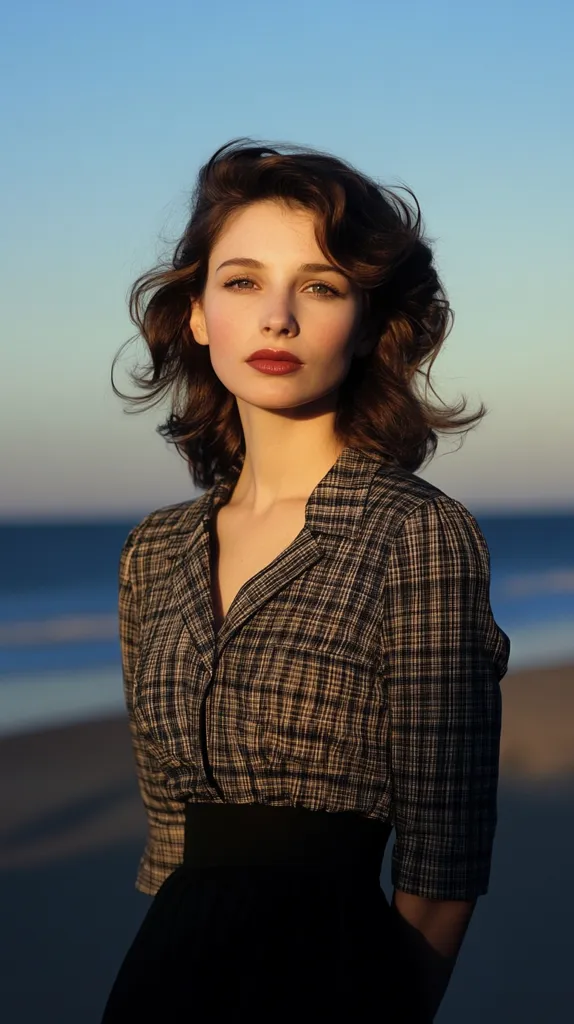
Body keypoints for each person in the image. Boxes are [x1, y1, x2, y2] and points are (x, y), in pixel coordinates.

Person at [100, 137, 511, 1022]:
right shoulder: (153, 553)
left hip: (333, 985)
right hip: (161, 981)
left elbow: (443, 865)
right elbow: (169, 848)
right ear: (198, 314)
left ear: (366, 322)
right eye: (242, 281)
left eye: (319, 287)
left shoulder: (415, 534)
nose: (277, 317)